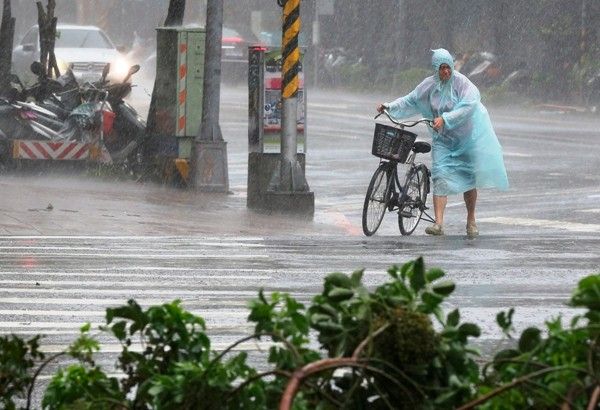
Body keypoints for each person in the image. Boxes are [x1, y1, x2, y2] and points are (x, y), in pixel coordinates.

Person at [377, 48, 508, 238]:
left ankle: (471, 220)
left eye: (448, 67)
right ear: (436, 69)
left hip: (466, 139)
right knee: (439, 175)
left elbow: (469, 105)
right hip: (442, 140)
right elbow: (411, 99)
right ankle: (438, 223)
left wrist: (446, 119)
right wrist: (389, 106)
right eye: (441, 68)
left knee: (468, 180)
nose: (445, 71)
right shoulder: (429, 86)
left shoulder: (463, 84)